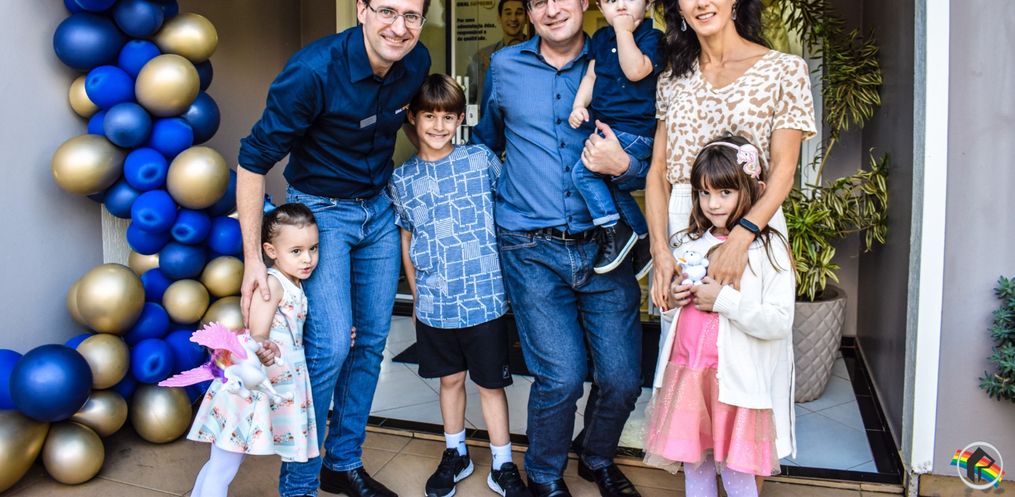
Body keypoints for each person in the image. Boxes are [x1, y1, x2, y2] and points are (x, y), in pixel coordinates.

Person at [235, 1, 431, 496]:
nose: (399, 27)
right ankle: (299, 483)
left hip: (378, 209)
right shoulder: (312, 72)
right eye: (387, 11)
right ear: (361, 9)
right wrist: (254, 260)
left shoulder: (416, 61)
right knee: (328, 349)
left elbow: (405, 119)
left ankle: (342, 464)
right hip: (321, 213)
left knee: (370, 343)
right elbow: (252, 161)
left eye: (412, 16)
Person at [471, 0, 649, 495]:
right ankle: (545, 475)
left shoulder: (618, 57)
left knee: (622, 379)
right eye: (537, 2)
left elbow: (649, 147)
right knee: (561, 378)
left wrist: (626, 167)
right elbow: (486, 142)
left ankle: (596, 456)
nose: (551, 10)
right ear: (528, 12)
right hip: (528, 246)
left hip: (606, 246)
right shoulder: (503, 66)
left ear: (586, 2)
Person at [387, 74, 530, 497]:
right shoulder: (402, 179)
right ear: (412, 118)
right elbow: (407, 239)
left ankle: (502, 464)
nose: (438, 125)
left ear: (460, 119)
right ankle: (456, 453)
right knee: (450, 381)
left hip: (484, 299)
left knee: (491, 385)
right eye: (429, 116)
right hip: (436, 302)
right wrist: (417, 296)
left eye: (447, 117)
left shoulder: (480, 160)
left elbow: (509, 213)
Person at [642, 136, 796, 497]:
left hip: (735, 387)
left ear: (753, 189)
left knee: (738, 476)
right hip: (689, 380)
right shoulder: (688, 244)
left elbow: (778, 321)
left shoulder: (768, 248)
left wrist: (723, 300)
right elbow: (674, 320)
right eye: (704, 193)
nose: (713, 204)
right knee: (695, 468)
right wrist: (673, 303)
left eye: (725, 192)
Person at [644, 0, 816, 314]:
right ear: (678, 9)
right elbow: (658, 170)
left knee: (752, 330)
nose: (701, 3)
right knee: (686, 335)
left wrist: (740, 238)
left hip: (754, 219)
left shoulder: (784, 70)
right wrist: (660, 249)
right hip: (683, 220)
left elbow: (783, 170)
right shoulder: (671, 79)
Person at [188, 204, 321, 497]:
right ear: (271, 251)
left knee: (222, 462)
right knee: (224, 464)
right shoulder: (273, 283)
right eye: (296, 251)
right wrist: (264, 345)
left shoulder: (294, 283)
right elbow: (258, 332)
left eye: (313, 248)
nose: (307, 258)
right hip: (249, 387)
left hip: (270, 382)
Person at [567, 0, 662, 276]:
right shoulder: (600, 37)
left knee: (583, 174)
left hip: (634, 130)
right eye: (610, 1)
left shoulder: (652, 37)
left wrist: (624, 32)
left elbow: (636, 70)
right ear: (600, 7)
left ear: (648, 3)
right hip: (609, 127)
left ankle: (614, 230)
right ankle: (642, 240)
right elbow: (591, 75)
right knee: (612, 186)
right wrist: (578, 105)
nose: (620, 6)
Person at [466, 0, 528, 105]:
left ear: (527, 18)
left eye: (519, 13)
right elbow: (467, 98)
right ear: (499, 18)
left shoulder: (539, 54)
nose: (513, 18)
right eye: (508, 13)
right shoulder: (482, 56)